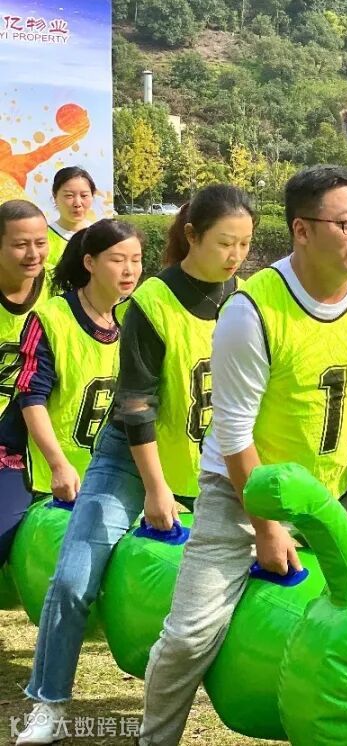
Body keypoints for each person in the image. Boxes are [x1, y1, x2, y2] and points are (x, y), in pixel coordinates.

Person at [138, 165, 347, 746]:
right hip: (242, 495)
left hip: (339, 489)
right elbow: (234, 432)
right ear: (301, 231)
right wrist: (266, 526)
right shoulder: (251, 310)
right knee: (190, 636)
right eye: (346, 224)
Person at [15, 186, 254, 745]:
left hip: (209, 459)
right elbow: (137, 406)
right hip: (128, 459)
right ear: (192, 236)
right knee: (74, 579)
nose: (236, 255)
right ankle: (47, 702)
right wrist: (156, 488)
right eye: (226, 242)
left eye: (245, 244)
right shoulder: (152, 300)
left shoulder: (245, 300)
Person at [18, 221, 141, 499]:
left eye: (136, 260)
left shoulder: (138, 316)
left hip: (115, 474)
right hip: (52, 476)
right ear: (90, 263)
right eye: (117, 260)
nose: (129, 270)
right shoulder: (51, 318)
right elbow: (32, 397)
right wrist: (58, 465)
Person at [0, 200, 48, 569]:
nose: (33, 254)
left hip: (42, 428)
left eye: (40, 242)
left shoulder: (61, 287)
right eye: (20, 244)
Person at [46, 167, 98, 272]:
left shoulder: (100, 235)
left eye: (84, 195)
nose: (77, 203)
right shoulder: (43, 238)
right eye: (69, 196)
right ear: (55, 197)